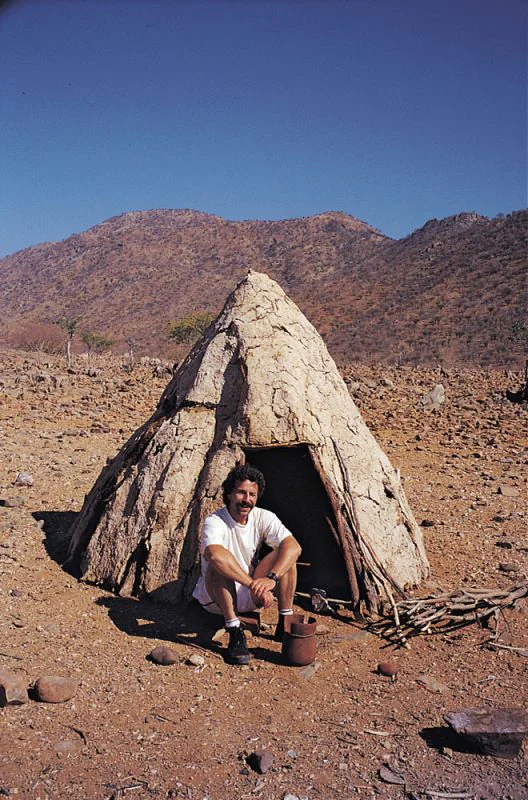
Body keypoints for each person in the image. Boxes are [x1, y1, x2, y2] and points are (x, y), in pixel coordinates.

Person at [192, 464, 302, 665]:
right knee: (219, 561)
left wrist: (271, 579)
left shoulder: (263, 517)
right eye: (241, 493)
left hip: (253, 593)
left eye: (252, 494)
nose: (247, 499)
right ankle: (234, 630)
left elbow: (294, 547)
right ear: (229, 494)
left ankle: (284, 621)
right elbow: (215, 555)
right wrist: (253, 585)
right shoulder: (215, 521)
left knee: (286, 556)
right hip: (217, 597)